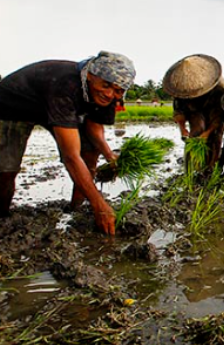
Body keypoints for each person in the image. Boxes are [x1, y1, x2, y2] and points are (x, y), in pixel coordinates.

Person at [0, 51, 136, 236]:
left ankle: (76, 209)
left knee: (89, 152)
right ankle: (3, 219)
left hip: (53, 108)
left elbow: (95, 130)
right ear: (90, 76)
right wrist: (100, 205)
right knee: (6, 169)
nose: (109, 93)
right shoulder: (66, 85)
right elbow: (71, 156)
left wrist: (110, 156)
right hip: (14, 107)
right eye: (105, 85)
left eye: (118, 90)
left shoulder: (111, 95)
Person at [162, 54, 224, 169]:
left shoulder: (220, 89)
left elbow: (219, 118)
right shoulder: (180, 88)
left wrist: (207, 133)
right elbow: (179, 111)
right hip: (194, 110)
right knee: (196, 133)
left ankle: (212, 168)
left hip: (214, 108)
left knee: (215, 138)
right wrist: (183, 129)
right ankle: (191, 168)